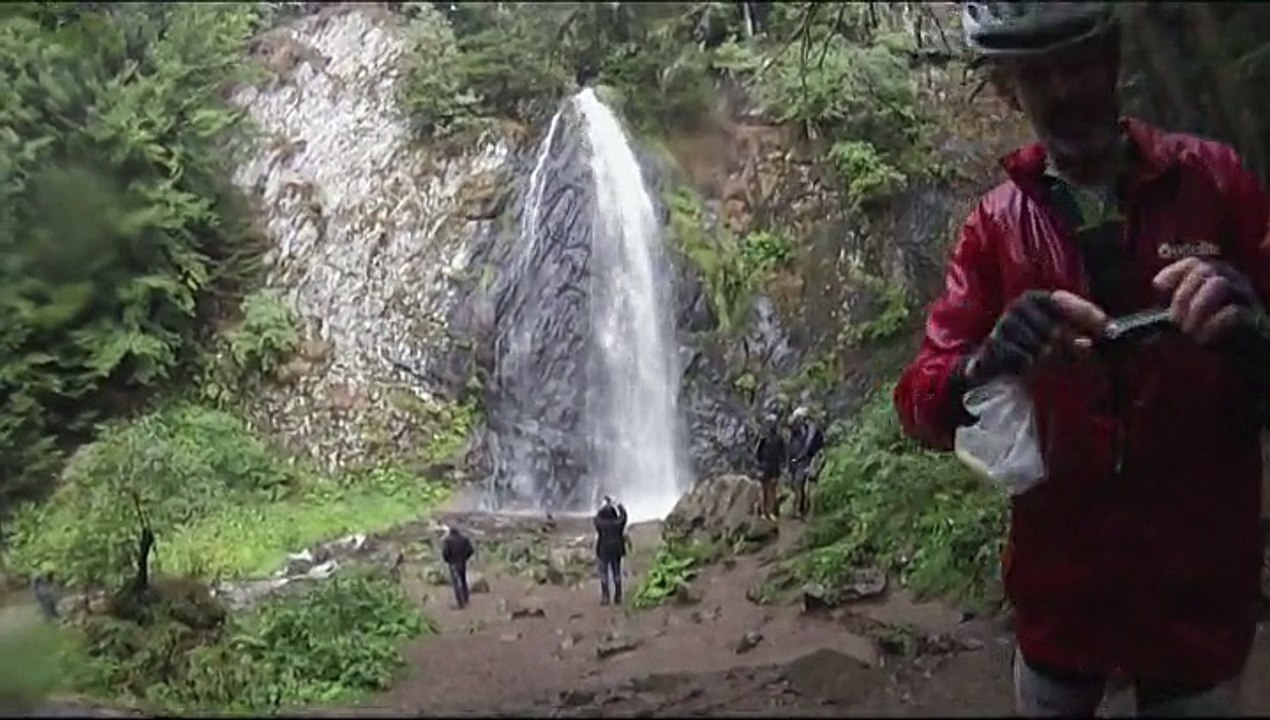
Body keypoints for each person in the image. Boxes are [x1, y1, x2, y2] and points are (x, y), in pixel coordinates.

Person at [894, 3, 1270, 715]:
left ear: (1114, 58)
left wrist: (1250, 322)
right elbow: (920, 401)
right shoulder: (996, 226)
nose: (1064, 91)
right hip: (1060, 599)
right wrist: (990, 359)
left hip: (1198, 594)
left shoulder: (1214, 182)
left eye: (1078, 64)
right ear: (1007, 88)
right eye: (1037, 75)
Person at [787, 407, 825, 519]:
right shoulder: (799, 430)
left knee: (805, 484)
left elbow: (809, 447)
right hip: (802, 460)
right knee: (799, 484)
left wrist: (799, 458)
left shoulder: (812, 430)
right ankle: (800, 509)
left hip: (811, 459)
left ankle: (804, 511)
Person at [594, 496, 628, 605]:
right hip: (616, 550)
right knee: (617, 573)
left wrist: (603, 506)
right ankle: (618, 597)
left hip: (604, 550)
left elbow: (596, 518)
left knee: (604, 574)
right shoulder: (618, 524)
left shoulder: (601, 524)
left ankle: (605, 597)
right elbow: (624, 516)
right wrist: (617, 504)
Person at [753, 413, 786, 520]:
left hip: (769, 467)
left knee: (767, 490)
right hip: (770, 467)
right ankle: (767, 512)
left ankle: (766, 512)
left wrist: (759, 465)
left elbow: (757, 453)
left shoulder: (765, 438)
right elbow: (782, 455)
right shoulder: (767, 438)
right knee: (769, 491)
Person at [441, 525, 475, 610]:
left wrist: (449, 561)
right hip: (462, 562)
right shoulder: (464, 539)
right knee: (463, 581)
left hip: (453, 563)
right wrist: (465, 558)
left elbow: (445, 553)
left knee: (456, 584)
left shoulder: (448, 541)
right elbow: (471, 550)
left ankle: (460, 603)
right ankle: (466, 598)